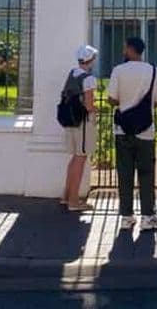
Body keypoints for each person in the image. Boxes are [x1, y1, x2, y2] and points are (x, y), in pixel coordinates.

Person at [107, 37, 157, 232]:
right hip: (145, 130)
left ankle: (127, 217)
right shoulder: (154, 71)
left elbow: (111, 99)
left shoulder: (118, 70)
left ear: (130, 49)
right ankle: (148, 217)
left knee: (124, 173)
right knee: (146, 174)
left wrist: (125, 102)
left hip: (122, 129)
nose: (123, 50)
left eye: (124, 47)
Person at [60, 44, 99, 211]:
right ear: (91, 60)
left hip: (71, 121)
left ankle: (66, 196)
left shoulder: (72, 74)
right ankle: (74, 201)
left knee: (75, 158)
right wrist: (97, 109)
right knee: (80, 158)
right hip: (83, 123)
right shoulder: (88, 79)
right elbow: (89, 105)